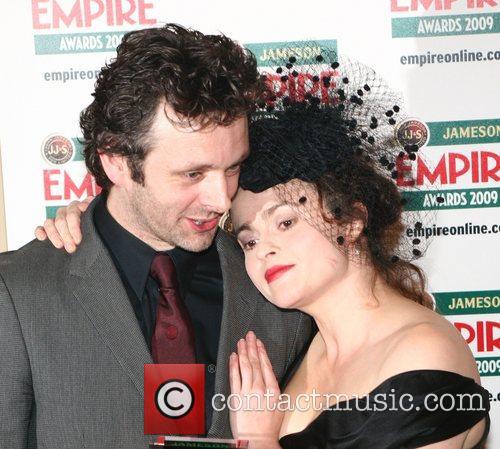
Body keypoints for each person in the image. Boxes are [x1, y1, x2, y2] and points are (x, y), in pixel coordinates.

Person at [43, 54, 491, 448]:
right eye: (249, 240)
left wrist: (257, 439)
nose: (264, 252)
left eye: (286, 222)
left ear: (352, 219)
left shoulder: (421, 353)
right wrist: (106, 223)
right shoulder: (299, 340)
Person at [0, 24, 312, 449]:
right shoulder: (18, 295)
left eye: (233, 167)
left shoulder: (277, 288)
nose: (221, 199)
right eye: (193, 174)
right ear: (117, 163)